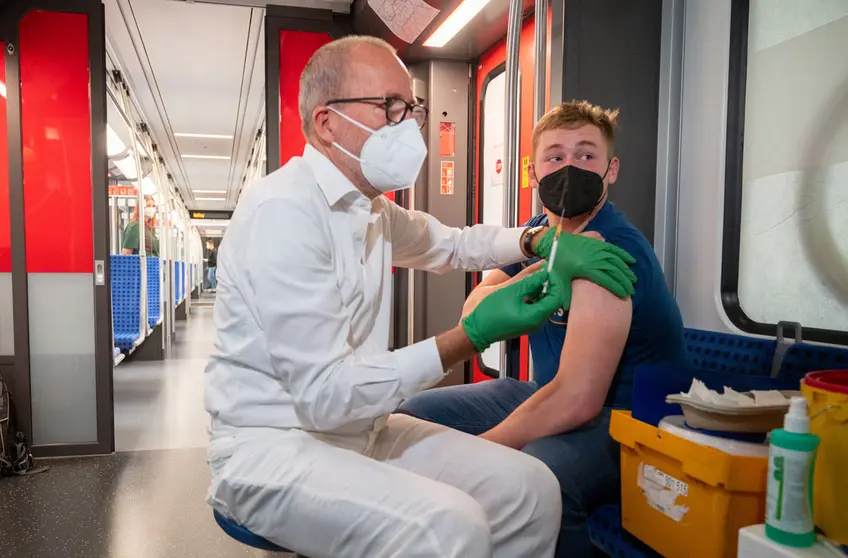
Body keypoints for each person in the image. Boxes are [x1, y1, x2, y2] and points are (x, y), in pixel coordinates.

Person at [203, 37, 637, 558]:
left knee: (531, 490)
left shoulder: (372, 212)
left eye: (411, 109)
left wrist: (533, 239)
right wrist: (468, 338)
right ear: (327, 123)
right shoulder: (283, 213)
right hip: (273, 447)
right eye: (390, 107)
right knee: (448, 528)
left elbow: (452, 245)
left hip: (359, 430)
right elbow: (324, 396)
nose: (408, 125)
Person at [398, 101, 691, 558]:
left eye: (586, 156)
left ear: (611, 170)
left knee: (542, 470)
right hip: (547, 390)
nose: (570, 168)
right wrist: (537, 272)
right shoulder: (539, 232)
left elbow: (578, 400)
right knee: (415, 415)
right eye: (555, 158)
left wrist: (475, 454)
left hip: (629, 421)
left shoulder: (609, 251)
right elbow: (474, 307)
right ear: (534, 175)